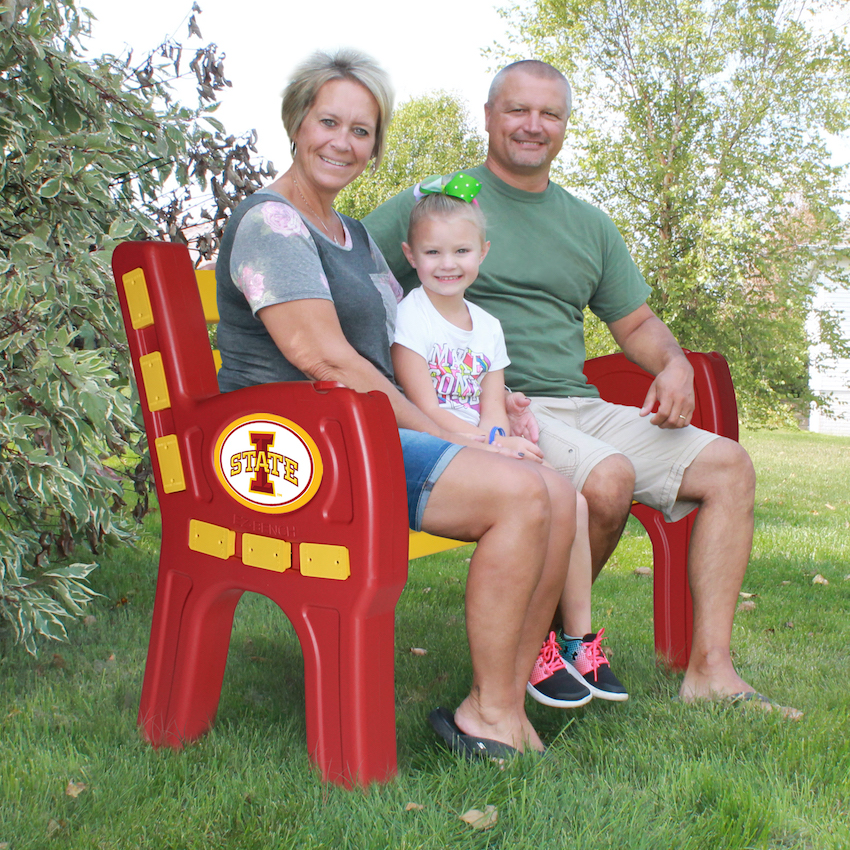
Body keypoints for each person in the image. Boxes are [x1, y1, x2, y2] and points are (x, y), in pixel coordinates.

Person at [364, 59, 801, 718]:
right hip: (499, 408)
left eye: (550, 114)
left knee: (729, 468)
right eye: (517, 110)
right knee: (606, 479)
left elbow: (637, 322)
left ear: (566, 127)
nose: (533, 126)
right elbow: (352, 269)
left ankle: (710, 670)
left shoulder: (587, 223)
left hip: (583, 402)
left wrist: (674, 364)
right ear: (489, 117)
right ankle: (550, 646)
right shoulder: (442, 203)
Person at [214, 48, 588, 759]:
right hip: (299, 447)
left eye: (362, 131)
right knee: (520, 495)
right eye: (329, 121)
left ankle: (498, 704)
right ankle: (495, 712)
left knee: (557, 489)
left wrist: (493, 408)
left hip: (362, 431)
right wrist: (463, 440)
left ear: (375, 146)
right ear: (297, 123)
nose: (343, 142)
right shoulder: (272, 223)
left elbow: (405, 350)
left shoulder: (352, 236)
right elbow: (324, 358)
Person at [391, 179, 627, 706]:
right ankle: (531, 649)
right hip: (438, 444)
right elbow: (423, 406)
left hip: (482, 444)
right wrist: (490, 446)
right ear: (410, 255)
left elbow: (492, 404)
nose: (447, 263)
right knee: (537, 496)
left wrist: (502, 438)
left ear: (483, 254)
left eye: (461, 250)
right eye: (432, 251)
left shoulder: (489, 327)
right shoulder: (411, 316)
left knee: (575, 499)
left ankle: (575, 641)